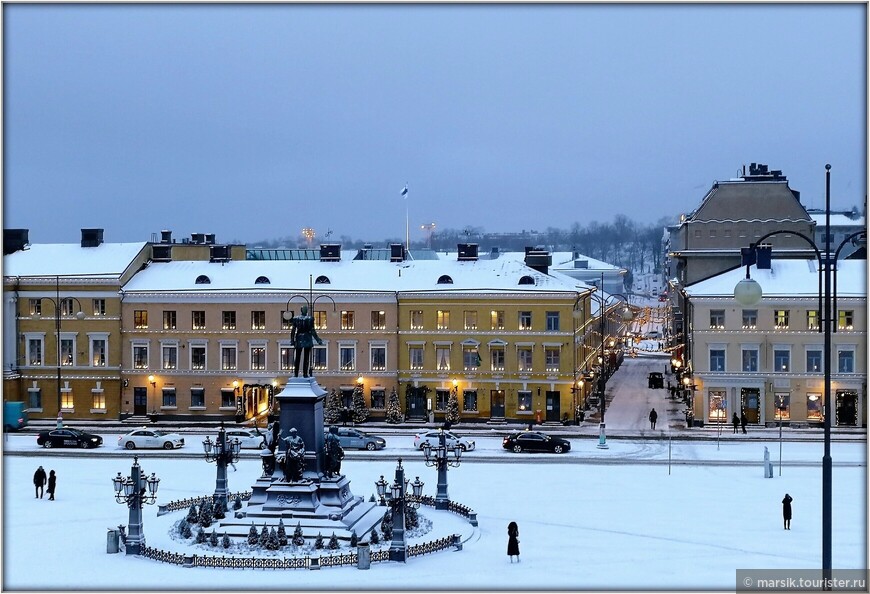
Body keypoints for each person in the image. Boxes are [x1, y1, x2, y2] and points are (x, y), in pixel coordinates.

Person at [289, 305, 324, 378]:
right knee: (305, 357)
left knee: (298, 357)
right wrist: (318, 339)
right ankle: (304, 374)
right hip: (307, 338)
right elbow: (312, 330)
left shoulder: (296, 318)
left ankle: (296, 373)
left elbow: (293, 331)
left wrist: (292, 340)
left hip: (299, 338)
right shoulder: (309, 319)